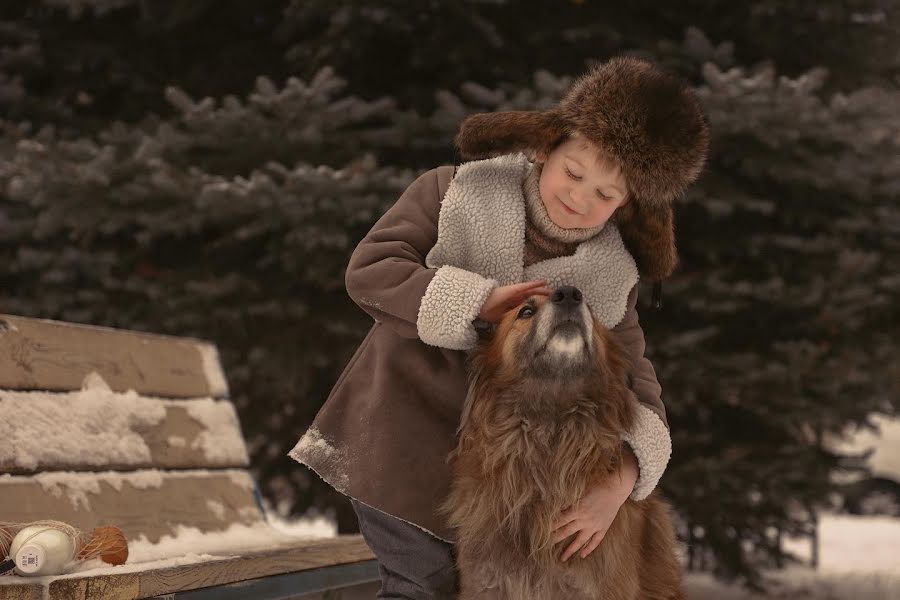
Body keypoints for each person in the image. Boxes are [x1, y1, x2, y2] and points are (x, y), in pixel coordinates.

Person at [289, 56, 709, 599]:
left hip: (501, 473)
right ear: (546, 146)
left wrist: (623, 478)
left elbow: (639, 391)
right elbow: (370, 270)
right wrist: (478, 301)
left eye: (606, 195)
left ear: (629, 205)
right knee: (421, 583)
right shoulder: (453, 192)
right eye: (574, 172)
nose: (580, 198)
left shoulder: (611, 278)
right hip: (400, 435)